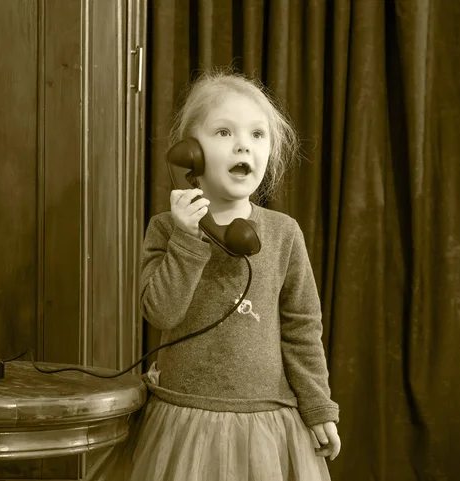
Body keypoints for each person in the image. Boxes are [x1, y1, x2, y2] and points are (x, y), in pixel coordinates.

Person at [87, 69, 341, 481]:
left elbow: (302, 329)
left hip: (268, 427)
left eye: (258, 135)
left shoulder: (283, 233)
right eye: (224, 132)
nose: (244, 144)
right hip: (184, 424)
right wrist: (187, 241)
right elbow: (161, 314)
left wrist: (318, 407)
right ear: (191, 153)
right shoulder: (166, 229)